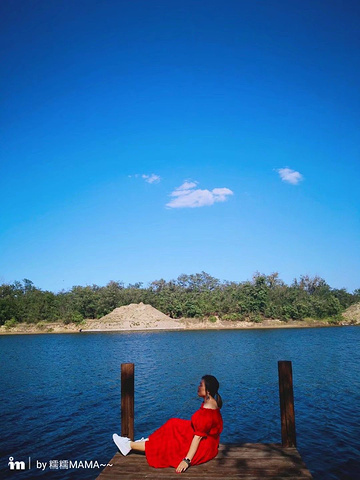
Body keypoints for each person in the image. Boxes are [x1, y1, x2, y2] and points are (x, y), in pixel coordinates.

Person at [113, 374, 223, 473]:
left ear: (208, 390)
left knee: (169, 447)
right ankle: (149, 441)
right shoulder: (212, 401)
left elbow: (197, 438)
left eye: (201, 385)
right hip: (207, 439)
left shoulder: (207, 411)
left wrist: (186, 460)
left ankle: (128, 445)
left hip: (203, 447)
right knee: (173, 423)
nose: (198, 387)